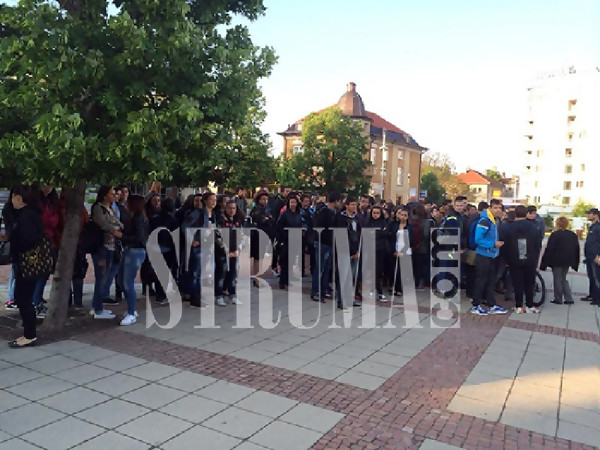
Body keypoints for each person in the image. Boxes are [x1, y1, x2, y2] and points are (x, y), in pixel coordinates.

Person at [0, 185, 44, 347]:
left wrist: (12, 239)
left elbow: (27, 240)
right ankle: (28, 333)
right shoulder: (29, 213)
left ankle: (30, 335)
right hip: (27, 262)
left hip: (28, 262)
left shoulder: (27, 215)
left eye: (13, 197)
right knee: (22, 297)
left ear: (18, 197)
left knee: (23, 297)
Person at [499, 205, 541, 314]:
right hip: (530, 259)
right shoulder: (534, 228)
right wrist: (535, 258)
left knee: (517, 283)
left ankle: (519, 306)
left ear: (515, 214)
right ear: (526, 213)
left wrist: (506, 259)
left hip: (514, 259)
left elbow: (504, 245)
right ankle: (529, 305)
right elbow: (538, 245)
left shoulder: (508, 227)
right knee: (530, 283)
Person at [470, 199, 507, 315]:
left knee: (491, 281)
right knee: (481, 281)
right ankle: (475, 305)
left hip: (492, 255)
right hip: (483, 255)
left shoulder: (495, 220)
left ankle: (491, 304)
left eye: (499, 208)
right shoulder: (485, 221)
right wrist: (493, 244)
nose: (498, 210)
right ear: (490, 208)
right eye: (495, 208)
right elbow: (478, 239)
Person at [91, 186, 123, 319]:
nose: (114, 196)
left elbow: (119, 223)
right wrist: (114, 229)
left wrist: (116, 228)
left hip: (111, 246)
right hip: (101, 247)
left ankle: (98, 306)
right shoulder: (98, 208)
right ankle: (97, 309)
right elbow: (103, 224)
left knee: (105, 277)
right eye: (111, 194)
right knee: (101, 277)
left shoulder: (111, 208)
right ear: (104, 195)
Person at [119, 195, 149, 325]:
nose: (126, 204)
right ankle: (132, 310)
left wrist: (122, 235)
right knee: (122, 281)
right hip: (130, 250)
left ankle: (131, 313)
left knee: (127, 282)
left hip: (135, 251)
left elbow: (140, 238)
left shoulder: (138, 218)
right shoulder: (136, 217)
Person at [540, 217, 579, 305]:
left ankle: (558, 298)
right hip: (568, 260)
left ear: (557, 224)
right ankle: (569, 298)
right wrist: (575, 262)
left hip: (556, 260)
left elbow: (550, 250)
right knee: (563, 278)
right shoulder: (572, 234)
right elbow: (576, 249)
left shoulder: (555, 235)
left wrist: (544, 264)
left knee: (557, 279)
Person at [311, 191, 341, 302]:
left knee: (327, 268)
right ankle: (315, 291)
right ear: (336, 201)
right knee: (319, 268)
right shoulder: (324, 211)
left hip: (329, 243)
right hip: (322, 242)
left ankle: (324, 290)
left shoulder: (333, 212)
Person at [216, 200, 244, 306]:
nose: (232, 210)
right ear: (226, 209)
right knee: (221, 275)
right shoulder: (221, 221)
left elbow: (241, 236)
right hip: (222, 253)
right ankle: (219, 296)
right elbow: (218, 237)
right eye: (230, 208)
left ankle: (233, 295)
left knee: (233, 275)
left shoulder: (237, 222)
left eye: (234, 208)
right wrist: (226, 250)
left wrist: (238, 250)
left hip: (234, 252)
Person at [275, 193, 302, 290]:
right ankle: (282, 281)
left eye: (294, 202)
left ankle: (288, 279)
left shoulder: (298, 214)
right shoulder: (285, 214)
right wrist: (284, 236)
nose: (293, 204)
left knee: (291, 261)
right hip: (286, 240)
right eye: (291, 202)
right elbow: (279, 226)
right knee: (285, 261)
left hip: (295, 240)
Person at [249, 191, 275, 286]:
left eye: (266, 199)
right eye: (263, 199)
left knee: (260, 258)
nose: (265, 201)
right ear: (258, 200)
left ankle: (258, 278)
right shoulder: (257, 209)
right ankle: (257, 279)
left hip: (264, 236)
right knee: (257, 258)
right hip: (257, 236)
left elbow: (271, 220)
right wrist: (268, 219)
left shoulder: (266, 209)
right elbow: (262, 220)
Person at [387, 207, 413, 297]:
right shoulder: (394, 225)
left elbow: (410, 240)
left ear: (408, 217)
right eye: (402, 215)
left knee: (402, 271)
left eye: (405, 215)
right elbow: (391, 238)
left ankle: (399, 288)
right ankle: (393, 287)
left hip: (405, 250)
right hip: (395, 249)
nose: (403, 217)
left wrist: (403, 251)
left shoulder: (409, 227)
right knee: (393, 270)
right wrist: (394, 251)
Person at [364, 206, 389, 301]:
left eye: (377, 213)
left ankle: (375, 289)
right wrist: (379, 232)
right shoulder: (368, 223)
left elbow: (386, 233)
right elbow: (368, 234)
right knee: (373, 270)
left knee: (379, 270)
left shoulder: (383, 222)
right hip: (371, 249)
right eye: (374, 213)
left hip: (381, 249)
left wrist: (376, 233)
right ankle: (378, 291)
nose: (375, 215)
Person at [2, 187, 17, 310]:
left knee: (16, 270)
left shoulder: (8, 208)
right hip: (14, 240)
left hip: (13, 239)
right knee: (16, 269)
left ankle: (12, 297)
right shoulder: (10, 209)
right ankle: (12, 297)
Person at [583, 208, 600, 307]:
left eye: (589, 214)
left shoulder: (598, 227)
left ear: (595, 215)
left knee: (596, 277)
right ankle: (592, 295)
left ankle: (598, 298)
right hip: (589, 256)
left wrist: (598, 256)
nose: (588, 216)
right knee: (591, 277)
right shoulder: (592, 227)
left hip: (595, 257)